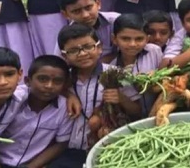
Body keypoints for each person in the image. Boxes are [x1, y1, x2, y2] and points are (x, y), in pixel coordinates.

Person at [49, 23, 140, 168]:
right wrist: (68, 94)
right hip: (69, 148)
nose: (83, 54)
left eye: (88, 47)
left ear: (99, 48)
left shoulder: (116, 74)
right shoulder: (62, 78)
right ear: (64, 56)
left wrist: (121, 98)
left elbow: (138, 111)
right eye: (73, 50)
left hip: (108, 146)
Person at [0, 55, 73, 168]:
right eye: (42, 79)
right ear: (27, 81)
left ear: (64, 85)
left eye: (57, 81)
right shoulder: (11, 100)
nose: (49, 86)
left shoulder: (65, 108)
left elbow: (61, 143)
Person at [110, 14, 163, 117]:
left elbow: (166, 77)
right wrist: (121, 98)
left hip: (161, 110)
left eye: (139, 39)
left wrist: (156, 78)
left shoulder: (154, 51)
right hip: (137, 117)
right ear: (114, 39)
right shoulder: (113, 69)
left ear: (147, 39)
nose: (132, 44)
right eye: (125, 39)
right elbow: (135, 110)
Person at [55, 0, 120, 62]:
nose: (85, 15)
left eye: (88, 7)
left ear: (98, 3)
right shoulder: (66, 36)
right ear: (65, 14)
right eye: (76, 11)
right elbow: (60, 62)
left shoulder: (116, 21)